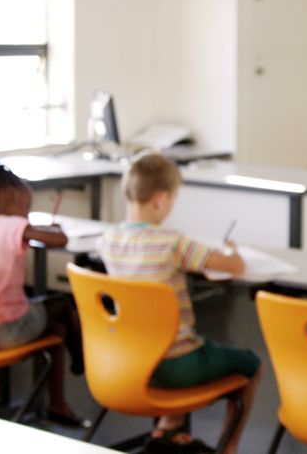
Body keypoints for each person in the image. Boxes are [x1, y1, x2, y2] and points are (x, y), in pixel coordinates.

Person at [99, 153, 260, 454]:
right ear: (160, 199)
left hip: (130, 361)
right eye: (174, 198)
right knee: (250, 364)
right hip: (175, 366)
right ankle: (230, 447)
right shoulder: (172, 242)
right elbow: (234, 267)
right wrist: (232, 251)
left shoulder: (107, 241)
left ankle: (167, 429)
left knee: (195, 344)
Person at [0, 161, 86, 427]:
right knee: (62, 305)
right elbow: (60, 240)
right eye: (26, 207)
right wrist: (53, 228)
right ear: (9, 196)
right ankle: (83, 362)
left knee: (57, 331)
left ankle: (57, 404)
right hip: (3, 329)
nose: (26, 215)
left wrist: (31, 225)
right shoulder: (13, 225)